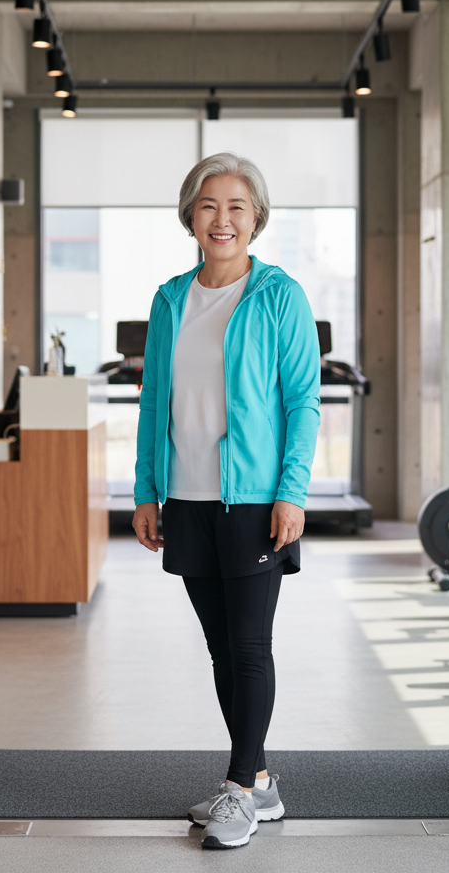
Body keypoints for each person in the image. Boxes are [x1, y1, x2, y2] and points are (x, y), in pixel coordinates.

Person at [132, 152, 320, 850]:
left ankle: (240, 787)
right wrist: (146, 490)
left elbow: (303, 401)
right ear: (190, 216)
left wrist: (292, 492)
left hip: (254, 499)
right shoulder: (169, 300)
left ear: (257, 219)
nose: (222, 219)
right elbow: (154, 400)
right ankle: (259, 781)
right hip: (186, 496)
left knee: (248, 646)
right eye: (209, 205)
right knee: (219, 649)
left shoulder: (279, 296)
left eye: (237, 207)